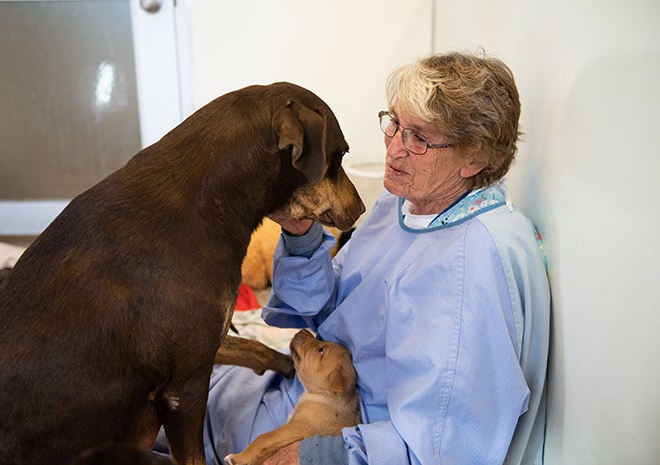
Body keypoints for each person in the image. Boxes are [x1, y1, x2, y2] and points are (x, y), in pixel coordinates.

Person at [158, 50, 551, 465]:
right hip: (293, 396)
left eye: (419, 138)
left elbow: (439, 450)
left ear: (474, 157)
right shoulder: (409, 203)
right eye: (395, 124)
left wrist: (312, 455)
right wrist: (302, 236)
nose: (394, 149)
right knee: (148, 386)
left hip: (329, 437)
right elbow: (328, 310)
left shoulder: (470, 267)